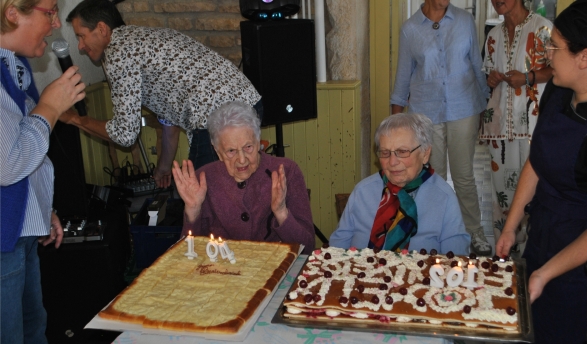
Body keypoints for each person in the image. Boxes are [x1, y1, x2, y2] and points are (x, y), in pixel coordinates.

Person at [496, 0, 587, 344]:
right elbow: (536, 164)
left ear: (585, 57)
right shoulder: (558, 92)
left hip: (579, 274)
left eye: (555, 47)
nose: (545, 55)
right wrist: (510, 227)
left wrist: (545, 274)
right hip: (539, 248)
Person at [62, 0, 262, 188]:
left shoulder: (118, 51)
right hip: (251, 103)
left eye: (81, 36)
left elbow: (125, 134)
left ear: (102, 28)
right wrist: (164, 169)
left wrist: (75, 119)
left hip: (215, 117)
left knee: (202, 199)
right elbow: (170, 123)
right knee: (237, 191)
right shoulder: (142, 38)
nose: (80, 46)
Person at [0, 0, 87, 344]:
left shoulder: (14, 63)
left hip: (19, 226)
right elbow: (8, 164)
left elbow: (23, 143)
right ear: (12, 12)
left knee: (33, 337)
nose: (55, 26)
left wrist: (42, 207)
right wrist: (50, 107)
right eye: (48, 12)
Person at [390, 0, 491, 255]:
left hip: (464, 107)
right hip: (426, 114)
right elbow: (403, 75)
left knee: (464, 175)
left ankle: (474, 232)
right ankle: (431, 232)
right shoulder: (410, 29)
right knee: (432, 178)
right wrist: (396, 123)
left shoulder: (465, 21)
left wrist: (484, 103)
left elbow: (477, 66)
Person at [172, 101, 315, 254]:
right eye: (231, 151)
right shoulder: (203, 180)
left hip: (276, 269)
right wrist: (193, 211)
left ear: (258, 141)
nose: (241, 159)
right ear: (217, 151)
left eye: (248, 147)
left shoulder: (286, 171)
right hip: (223, 272)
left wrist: (281, 213)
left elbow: (307, 247)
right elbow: (190, 252)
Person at [329, 113, 470, 255]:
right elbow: (337, 247)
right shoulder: (362, 192)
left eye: (402, 152)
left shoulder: (443, 197)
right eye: (385, 152)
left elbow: (455, 259)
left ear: (425, 154)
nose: (392, 162)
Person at [481, 0, 553, 250]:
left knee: (533, 191)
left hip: (533, 124)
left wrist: (528, 77)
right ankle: (504, 250)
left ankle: (530, 251)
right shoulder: (493, 35)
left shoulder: (542, 28)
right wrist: (492, 78)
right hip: (499, 127)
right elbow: (489, 75)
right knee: (501, 192)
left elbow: (557, 70)